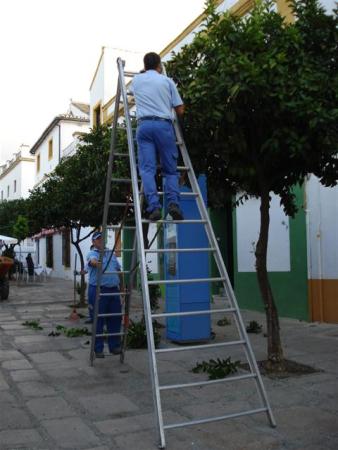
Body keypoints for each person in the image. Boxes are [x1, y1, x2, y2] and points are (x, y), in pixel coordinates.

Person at [131, 52, 185, 221]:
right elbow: (180, 110)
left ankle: (154, 207)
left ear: (145, 65)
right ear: (159, 66)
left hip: (144, 126)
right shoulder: (167, 81)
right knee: (170, 170)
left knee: (147, 170)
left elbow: (135, 91)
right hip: (164, 126)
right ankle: (173, 204)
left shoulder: (136, 80)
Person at [86, 231, 123, 358]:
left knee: (115, 318)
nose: (101, 241)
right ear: (93, 242)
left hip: (114, 290)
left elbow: (118, 270)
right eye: (98, 239)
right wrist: (96, 263)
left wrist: (122, 290)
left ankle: (114, 346)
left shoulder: (111, 254)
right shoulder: (92, 253)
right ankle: (98, 348)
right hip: (98, 290)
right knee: (98, 319)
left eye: (102, 239)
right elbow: (92, 261)